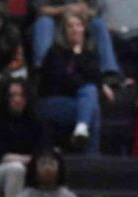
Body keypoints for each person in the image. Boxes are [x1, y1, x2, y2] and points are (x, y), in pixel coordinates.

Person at [39, 9, 107, 153]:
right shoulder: (55, 52)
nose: (75, 29)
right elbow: (61, 81)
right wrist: (84, 80)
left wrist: (78, 56)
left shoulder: (89, 53)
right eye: (70, 26)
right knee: (90, 100)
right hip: (52, 102)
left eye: (78, 25)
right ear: (64, 31)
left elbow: (96, 77)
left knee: (91, 105)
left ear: (84, 28)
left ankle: (81, 129)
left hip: (79, 102)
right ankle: (92, 161)